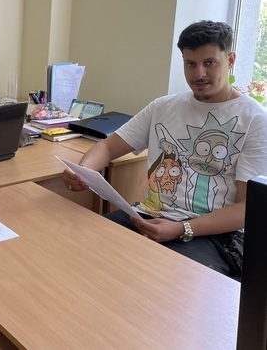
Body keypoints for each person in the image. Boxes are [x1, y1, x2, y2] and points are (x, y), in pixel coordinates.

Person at [63, 20, 267, 280]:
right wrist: (83, 171)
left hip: (213, 235)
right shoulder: (163, 107)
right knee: (77, 247)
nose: (199, 74)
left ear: (230, 60)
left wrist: (182, 228)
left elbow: (247, 208)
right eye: (190, 64)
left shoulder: (255, 120)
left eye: (209, 63)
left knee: (157, 279)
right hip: (149, 214)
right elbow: (108, 146)